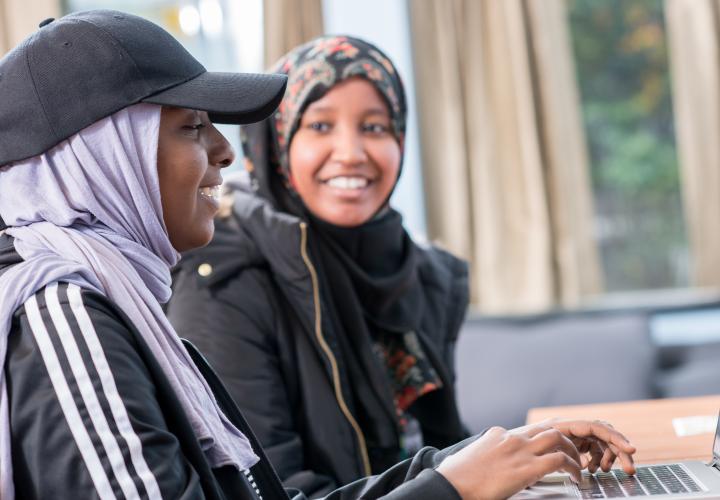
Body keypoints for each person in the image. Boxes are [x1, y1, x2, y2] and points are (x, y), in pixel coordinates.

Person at [0, 11, 636, 500]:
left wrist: (479, 460)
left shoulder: (122, 298)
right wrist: (450, 489)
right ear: (101, 157)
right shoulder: (66, 314)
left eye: (377, 125)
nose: (225, 151)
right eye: (192, 126)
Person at [165, 34, 635, 498]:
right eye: (321, 126)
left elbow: (433, 454)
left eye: (374, 127)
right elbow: (275, 491)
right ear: (275, 143)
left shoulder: (418, 271)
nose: (352, 153)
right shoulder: (222, 279)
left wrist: (527, 451)